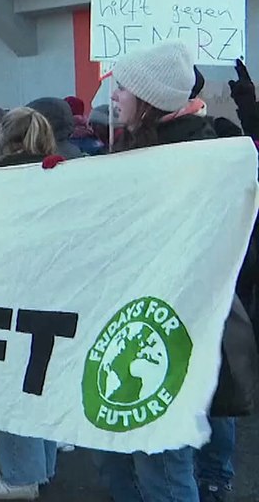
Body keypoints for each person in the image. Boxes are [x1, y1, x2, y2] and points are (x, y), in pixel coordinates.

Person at [98, 41, 216, 502]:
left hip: (165, 321)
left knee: (160, 459)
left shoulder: (196, 153)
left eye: (122, 87)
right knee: (116, 455)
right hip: (122, 312)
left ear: (148, 98)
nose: (114, 95)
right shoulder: (134, 144)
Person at [0, 107, 62, 500]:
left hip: (12, 287)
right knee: (40, 379)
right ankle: (40, 466)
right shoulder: (60, 172)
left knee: (12, 382)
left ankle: (21, 475)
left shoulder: (5, 176)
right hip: (50, 288)